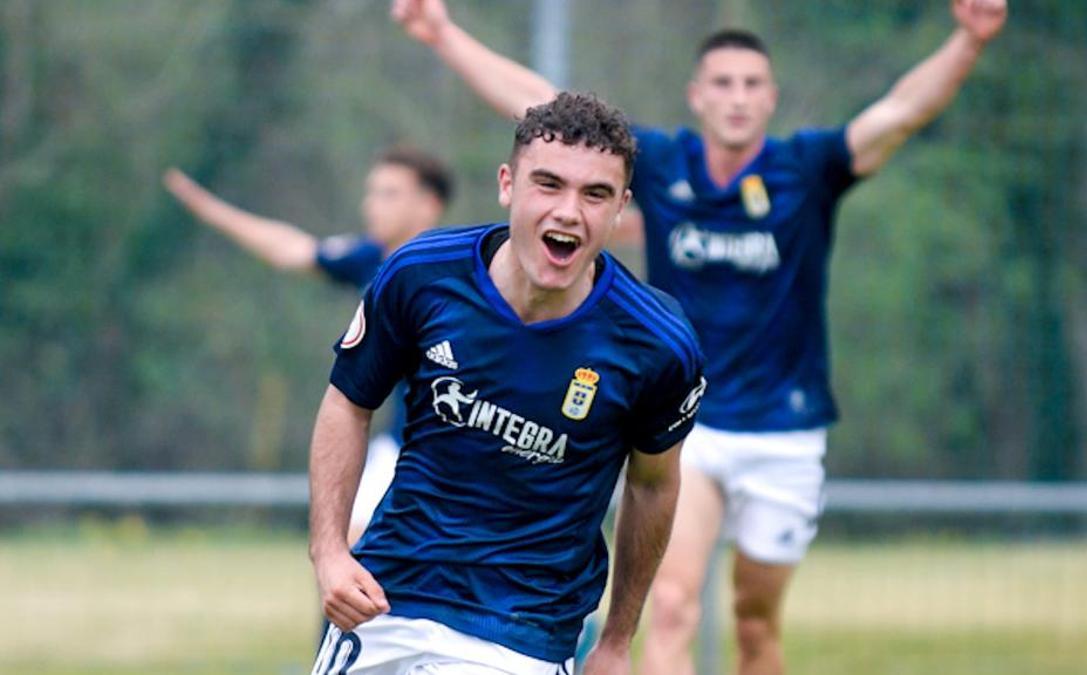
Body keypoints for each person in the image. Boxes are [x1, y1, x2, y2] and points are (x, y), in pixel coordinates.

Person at [390, 0, 1007, 672]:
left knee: (755, 623)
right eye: (722, 82)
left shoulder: (805, 168)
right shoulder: (661, 166)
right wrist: (442, 32)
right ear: (697, 95)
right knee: (675, 603)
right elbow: (539, 105)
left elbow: (899, 113)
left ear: (770, 98)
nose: (736, 97)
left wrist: (969, 42)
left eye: (750, 84)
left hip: (784, 427)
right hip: (692, 423)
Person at [307, 92, 707, 674]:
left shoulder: (658, 343)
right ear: (507, 185)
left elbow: (652, 486)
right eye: (549, 184)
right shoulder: (421, 274)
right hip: (388, 605)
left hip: (522, 635)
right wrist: (330, 551)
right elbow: (348, 402)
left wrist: (617, 641)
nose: (569, 212)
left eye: (595, 194)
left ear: (621, 207)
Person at [163, 146, 453, 545]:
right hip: (402, 442)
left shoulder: (460, 271)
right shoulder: (371, 260)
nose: (372, 204)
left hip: (459, 450)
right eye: (371, 192)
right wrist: (209, 209)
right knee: (345, 552)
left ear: (429, 204)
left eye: (389, 193)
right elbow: (291, 249)